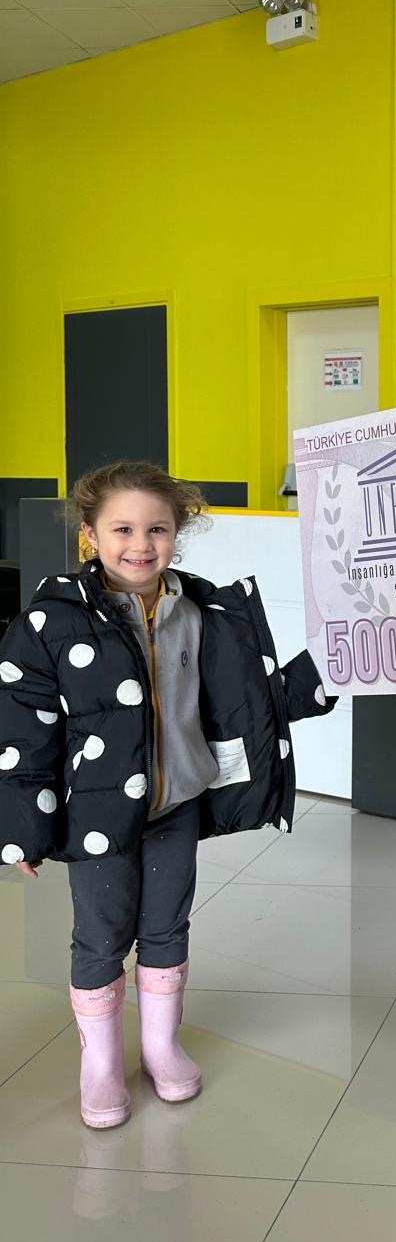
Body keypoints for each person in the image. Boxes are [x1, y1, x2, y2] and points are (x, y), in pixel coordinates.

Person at [0, 460, 335, 1129]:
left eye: (157, 529)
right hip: (97, 815)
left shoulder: (205, 610)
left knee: (166, 927)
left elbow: (251, 702)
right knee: (100, 936)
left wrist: (336, 665)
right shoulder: (51, 621)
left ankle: (159, 1046)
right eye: (122, 529)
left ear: (177, 533)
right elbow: (23, 731)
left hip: (176, 804)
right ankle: (100, 1063)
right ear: (90, 534)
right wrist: (22, 829)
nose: (140, 544)